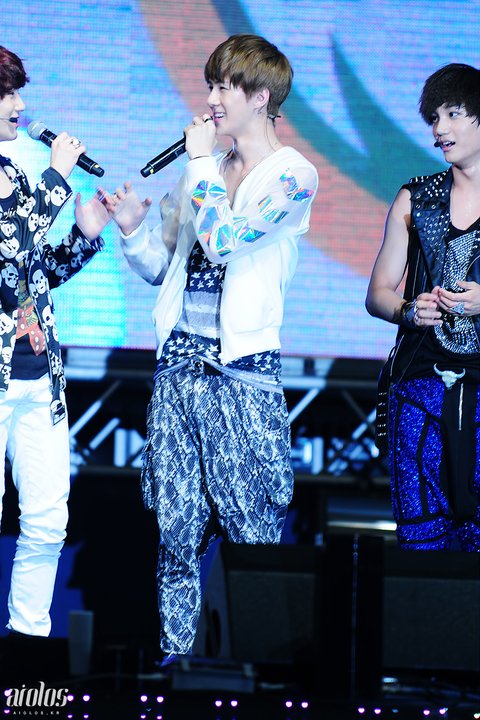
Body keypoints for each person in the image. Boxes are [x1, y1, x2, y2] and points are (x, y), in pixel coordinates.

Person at [103, 33, 318, 663]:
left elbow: (224, 242)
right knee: (176, 528)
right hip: (179, 366)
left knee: (251, 526)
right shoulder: (204, 169)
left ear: (261, 96)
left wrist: (199, 166)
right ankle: (177, 661)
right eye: (211, 86)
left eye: (225, 87)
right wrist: (132, 229)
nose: (212, 99)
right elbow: (161, 266)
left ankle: (261, 665)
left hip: (240, 372)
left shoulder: (294, 176)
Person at [0, 45, 110, 644]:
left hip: (39, 374)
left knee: (46, 522)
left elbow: (31, 271)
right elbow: (11, 242)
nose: (19, 104)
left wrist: (85, 236)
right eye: (7, 93)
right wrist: (60, 174)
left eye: (18, 91)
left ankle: (27, 647)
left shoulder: (16, 174)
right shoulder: (31, 180)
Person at [366, 63, 480, 551]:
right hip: (419, 383)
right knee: (420, 541)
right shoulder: (415, 199)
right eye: (434, 117)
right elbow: (378, 293)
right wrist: (409, 310)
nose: (439, 129)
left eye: (453, 114)